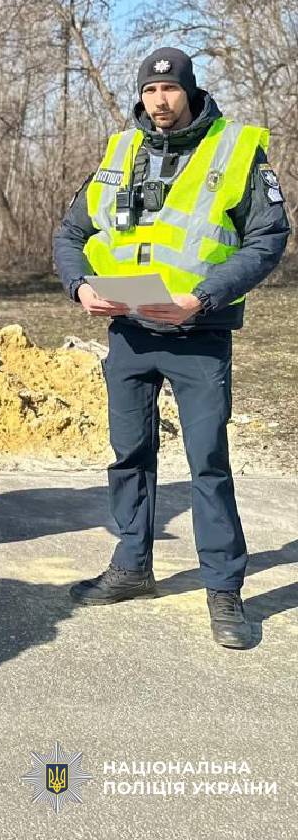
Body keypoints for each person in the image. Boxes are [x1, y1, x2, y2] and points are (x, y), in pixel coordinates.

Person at [54, 47, 290, 649]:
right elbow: (72, 232)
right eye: (149, 91)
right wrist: (80, 286)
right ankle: (132, 567)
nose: (158, 101)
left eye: (169, 90)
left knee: (208, 463)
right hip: (129, 332)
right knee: (128, 455)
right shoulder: (120, 152)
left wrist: (203, 298)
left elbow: (267, 238)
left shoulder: (237, 151)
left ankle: (224, 589)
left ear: (189, 90)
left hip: (197, 334)